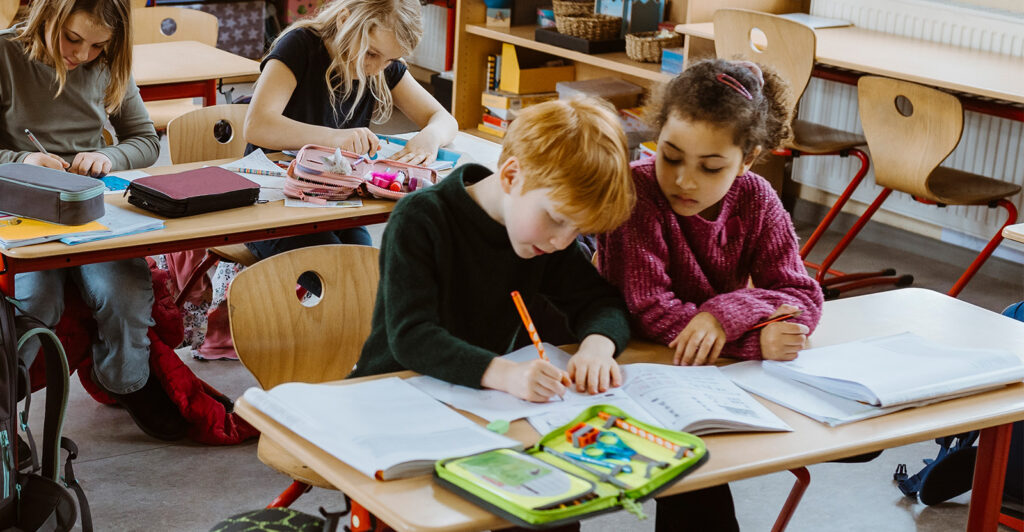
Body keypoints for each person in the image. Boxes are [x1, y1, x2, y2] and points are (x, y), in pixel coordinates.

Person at [350, 98, 733, 531]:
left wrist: (597, 348)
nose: (561, 242)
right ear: (512, 176)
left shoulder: (540, 235)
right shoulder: (421, 219)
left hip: (481, 412)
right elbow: (412, 336)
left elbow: (600, 302)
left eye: (577, 231)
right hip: (394, 404)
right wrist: (505, 374)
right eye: (556, 220)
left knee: (558, 505)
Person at [0, 0, 186, 440]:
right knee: (37, 300)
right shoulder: (6, 55)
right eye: (73, 39)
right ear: (48, 18)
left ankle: (126, 383)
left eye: (98, 45)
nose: (83, 55)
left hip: (90, 207)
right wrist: (23, 159)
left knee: (122, 292)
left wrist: (106, 156)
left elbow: (143, 140)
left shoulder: (109, 65)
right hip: (20, 205)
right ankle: (8, 410)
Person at [598, 59, 824, 367]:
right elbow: (647, 312)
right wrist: (754, 341)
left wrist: (724, 316)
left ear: (747, 160)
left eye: (711, 167)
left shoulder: (757, 198)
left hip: (704, 365)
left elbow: (801, 296)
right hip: (633, 357)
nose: (684, 181)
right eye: (671, 156)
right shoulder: (637, 191)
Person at [242, 0, 458, 277]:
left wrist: (430, 136)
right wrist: (335, 138)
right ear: (345, 20)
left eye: (390, 60)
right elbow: (257, 125)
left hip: (337, 203)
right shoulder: (300, 46)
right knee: (340, 279)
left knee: (368, 275)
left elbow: (444, 119)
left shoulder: (378, 62)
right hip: (274, 208)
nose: (379, 68)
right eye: (372, 54)